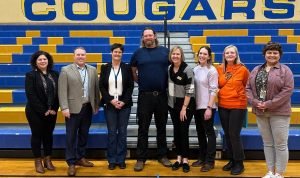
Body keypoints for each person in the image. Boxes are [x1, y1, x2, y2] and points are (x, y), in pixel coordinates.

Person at [246, 42, 294, 178]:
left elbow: (287, 91)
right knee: (267, 143)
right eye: (269, 52)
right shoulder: (256, 70)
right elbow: (248, 89)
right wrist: (255, 102)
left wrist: (269, 104)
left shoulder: (285, 71)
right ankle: (270, 171)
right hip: (260, 112)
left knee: (280, 144)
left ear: (279, 55)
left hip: (279, 112)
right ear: (264, 54)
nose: (272, 55)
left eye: (275, 53)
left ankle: (279, 173)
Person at [130, 27, 172, 171]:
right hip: (145, 96)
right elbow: (133, 70)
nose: (148, 37)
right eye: (145, 35)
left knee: (162, 128)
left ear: (155, 36)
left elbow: (174, 69)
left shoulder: (165, 52)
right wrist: (140, 82)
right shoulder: (138, 53)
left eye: (150, 35)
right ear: (143, 38)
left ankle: (163, 155)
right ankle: (141, 158)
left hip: (161, 95)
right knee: (143, 128)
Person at [58, 47, 100, 176]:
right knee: (71, 136)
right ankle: (71, 162)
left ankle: (80, 157)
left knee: (84, 134)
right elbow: (62, 90)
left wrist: (96, 105)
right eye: (78, 55)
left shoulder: (92, 70)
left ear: (86, 56)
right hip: (72, 108)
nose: (80, 57)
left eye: (83, 54)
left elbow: (95, 89)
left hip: (87, 107)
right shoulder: (66, 70)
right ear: (74, 56)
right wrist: (64, 107)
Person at [99, 43, 134, 170]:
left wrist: (123, 101)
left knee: (123, 132)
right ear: (111, 53)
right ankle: (112, 160)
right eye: (115, 52)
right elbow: (101, 86)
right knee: (112, 133)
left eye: (119, 52)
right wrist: (110, 100)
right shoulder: (105, 67)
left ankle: (121, 159)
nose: (117, 54)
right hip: (110, 105)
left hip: (124, 105)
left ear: (122, 54)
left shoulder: (126, 68)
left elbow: (130, 86)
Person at [216, 45, 249, 175]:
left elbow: (247, 85)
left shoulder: (243, 69)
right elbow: (217, 85)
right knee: (227, 134)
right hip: (223, 104)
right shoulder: (219, 69)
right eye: (227, 53)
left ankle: (239, 162)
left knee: (234, 134)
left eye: (232, 53)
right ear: (224, 55)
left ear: (236, 55)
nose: (229, 55)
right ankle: (231, 159)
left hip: (238, 105)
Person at [25, 51, 59, 174]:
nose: (42, 61)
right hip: (35, 111)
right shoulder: (30, 76)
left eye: (44, 59)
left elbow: (58, 94)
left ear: (48, 61)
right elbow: (31, 95)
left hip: (52, 112)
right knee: (37, 135)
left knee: (48, 135)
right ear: (35, 62)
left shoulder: (55, 74)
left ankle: (48, 160)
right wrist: (44, 110)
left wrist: (54, 109)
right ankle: (38, 161)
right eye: (40, 60)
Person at [167, 46, 195, 173]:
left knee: (183, 132)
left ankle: (185, 159)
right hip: (173, 105)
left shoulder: (187, 69)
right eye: (173, 54)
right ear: (171, 56)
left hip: (185, 105)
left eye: (178, 54)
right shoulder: (169, 68)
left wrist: (184, 108)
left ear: (181, 56)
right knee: (177, 132)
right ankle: (178, 158)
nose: (175, 56)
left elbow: (190, 90)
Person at [192, 46, 218, 172]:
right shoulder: (196, 69)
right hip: (196, 106)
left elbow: (214, 90)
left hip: (207, 106)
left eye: (204, 54)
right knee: (200, 133)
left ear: (208, 56)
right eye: (200, 53)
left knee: (209, 133)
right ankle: (202, 157)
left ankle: (210, 161)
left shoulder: (212, 71)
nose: (202, 56)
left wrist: (209, 107)